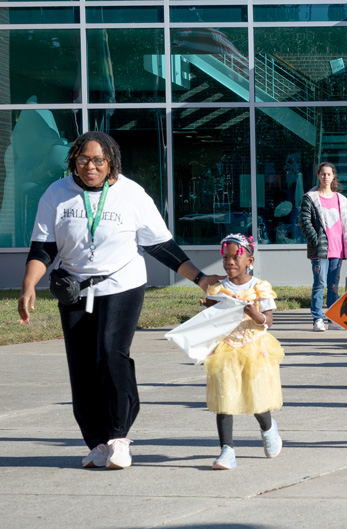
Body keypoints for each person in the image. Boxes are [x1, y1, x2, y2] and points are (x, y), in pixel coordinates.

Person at [18, 131, 224, 469]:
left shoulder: (131, 194)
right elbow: (44, 247)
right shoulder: (57, 194)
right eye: (84, 159)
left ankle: (118, 436)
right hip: (75, 289)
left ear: (111, 162)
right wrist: (28, 285)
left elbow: (161, 246)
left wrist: (200, 279)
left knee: (111, 352)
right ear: (74, 161)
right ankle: (97, 442)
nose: (90, 166)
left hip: (122, 282)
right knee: (82, 367)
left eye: (98, 160)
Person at [202, 234, 284, 470]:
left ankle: (268, 428)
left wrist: (254, 313)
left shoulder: (259, 287)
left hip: (254, 347)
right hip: (226, 349)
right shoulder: (217, 288)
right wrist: (209, 310)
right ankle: (227, 450)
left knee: (255, 395)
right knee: (224, 398)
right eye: (225, 258)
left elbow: (267, 321)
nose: (230, 263)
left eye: (236, 258)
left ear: (250, 260)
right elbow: (211, 321)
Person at [300, 162, 347, 332]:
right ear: (318, 175)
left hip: (337, 249)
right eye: (323, 174)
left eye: (329, 174)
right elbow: (305, 221)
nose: (326, 177)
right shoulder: (310, 198)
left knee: (334, 284)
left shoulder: (341, 199)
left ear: (333, 177)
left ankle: (333, 317)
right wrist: (316, 240)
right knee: (320, 283)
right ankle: (317, 318)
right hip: (320, 250)